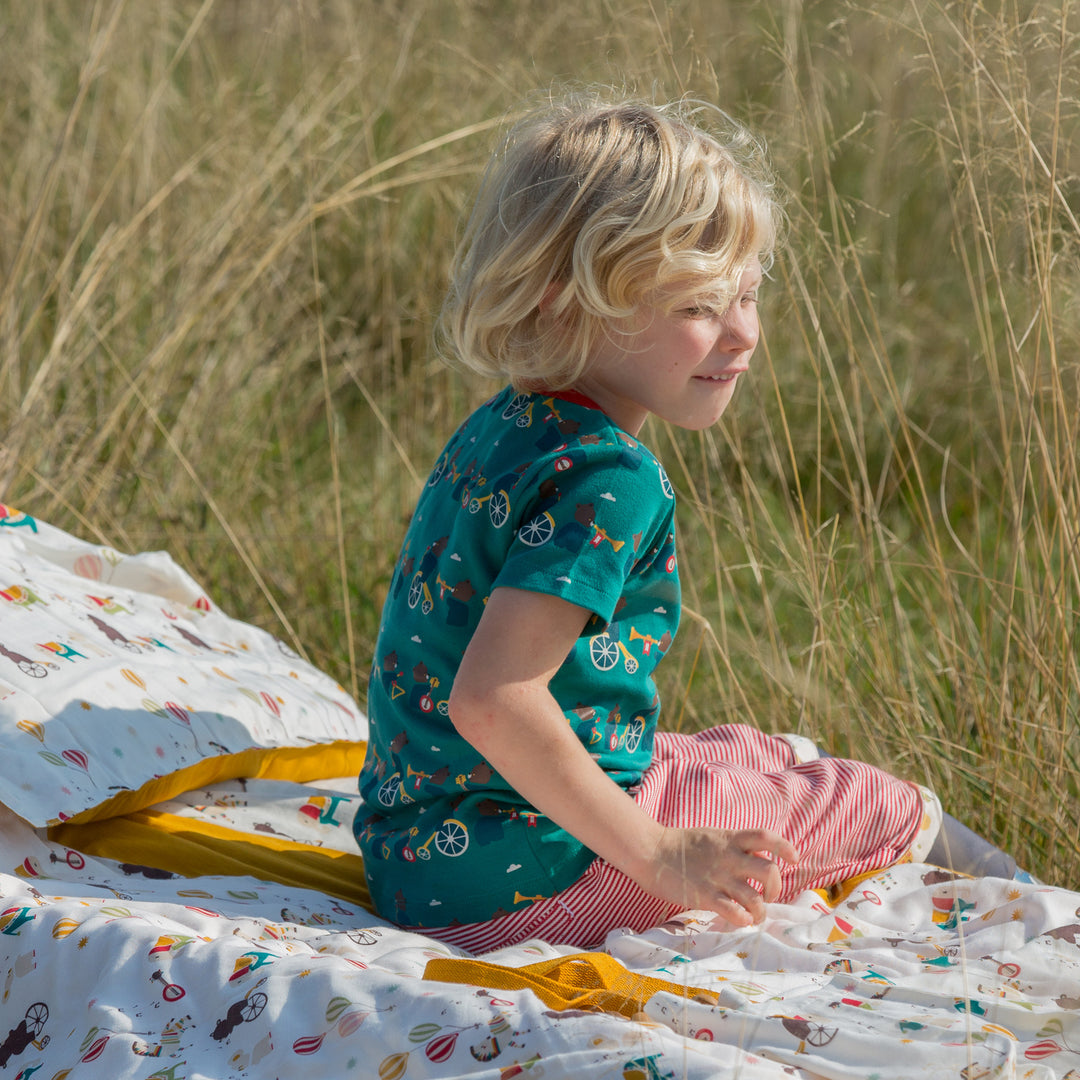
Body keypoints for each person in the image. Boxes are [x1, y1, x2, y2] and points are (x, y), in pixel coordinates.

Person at [354, 93, 1021, 953]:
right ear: (566, 303)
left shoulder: (504, 426)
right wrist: (663, 856)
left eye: (749, 293)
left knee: (745, 752)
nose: (745, 334)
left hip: (415, 855)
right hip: (523, 883)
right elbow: (493, 700)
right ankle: (1043, 915)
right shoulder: (609, 476)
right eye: (701, 305)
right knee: (871, 800)